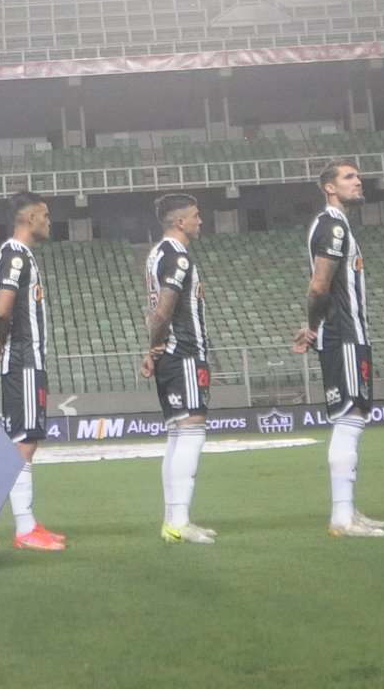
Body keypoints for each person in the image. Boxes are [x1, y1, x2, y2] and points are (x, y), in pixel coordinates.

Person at [293, 161, 384, 538]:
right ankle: (341, 518)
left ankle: (347, 511)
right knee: (349, 419)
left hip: (351, 335)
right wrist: (314, 327)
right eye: (349, 177)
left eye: (358, 176)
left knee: (355, 417)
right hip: (343, 334)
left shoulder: (340, 225)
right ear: (329, 187)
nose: (358, 182)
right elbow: (319, 286)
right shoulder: (332, 226)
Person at [0, 191, 67, 550]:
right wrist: (2, 338)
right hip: (23, 361)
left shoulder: (21, 256)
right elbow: (3, 309)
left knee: (27, 441)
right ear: (30, 217)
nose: (49, 221)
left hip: (25, 360)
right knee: (23, 442)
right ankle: (23, 529)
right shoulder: (15, 254)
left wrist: (0, 337)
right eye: (45, 215)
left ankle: (29, 524)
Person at [140, 194, 217, 544]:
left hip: (170, 355)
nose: (201, 221)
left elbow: (156, 312)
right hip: (184, 352)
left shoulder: (156, 254)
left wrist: (153, 350)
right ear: (180, 222)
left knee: (176, 435)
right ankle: (180, 521)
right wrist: (157, 343)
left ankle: (173, 521)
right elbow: (163, 310)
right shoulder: (178, 256)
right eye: (196, 216)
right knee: (191, 432)